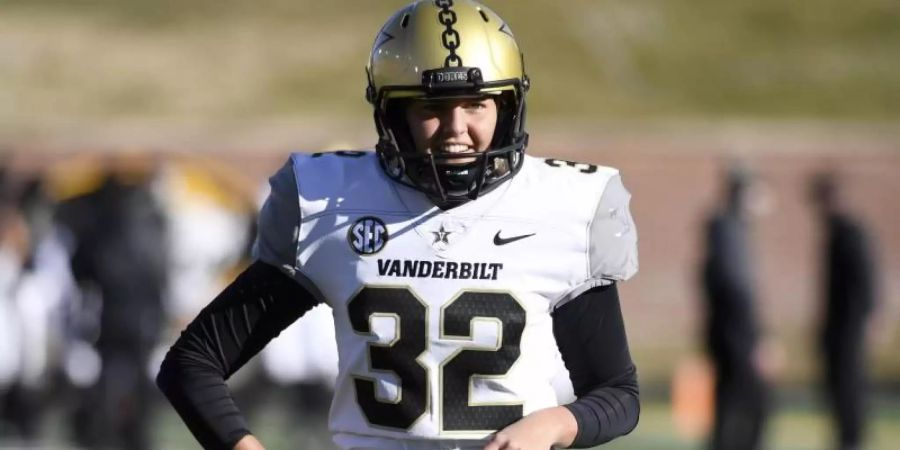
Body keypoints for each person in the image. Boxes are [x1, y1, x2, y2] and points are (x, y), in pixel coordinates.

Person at [156, 1, 640, 449]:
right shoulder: (330, 201)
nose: (456, 128)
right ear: (394, 114)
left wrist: (554, 423)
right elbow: (192, 364)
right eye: (431, 107)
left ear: (506, 107)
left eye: (476, 104)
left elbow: (617, 393)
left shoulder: (564, 206)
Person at [700, 166, 769, 450]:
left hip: (728, 333)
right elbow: (739, 289)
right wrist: (757, 340)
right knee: (751, 402)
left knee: (730, 403)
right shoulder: (729, 230)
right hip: (736, 336)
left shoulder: (729, 229)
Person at [810, 172, 876, 450]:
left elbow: (866, 280)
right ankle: (845, 437)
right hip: (837, 327)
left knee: (849, 386)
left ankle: (852, 439)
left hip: (850, 326)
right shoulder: (835, 233)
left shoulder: (850, 233)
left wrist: (868, 317)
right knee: (837, 387)